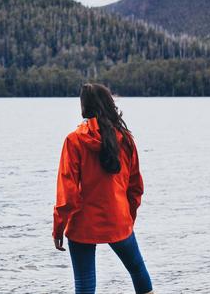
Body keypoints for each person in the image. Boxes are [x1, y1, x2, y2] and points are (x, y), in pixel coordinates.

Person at [52, 83, 153, 294]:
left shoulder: (74, 141)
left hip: (82, 224)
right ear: (109, 104)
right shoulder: (125, 139)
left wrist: (58, 228)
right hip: (118, 219)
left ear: (84, 107)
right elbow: (135, 187)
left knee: (84, 285)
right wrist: (127, 217)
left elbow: (67, 192)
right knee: (137, 270)